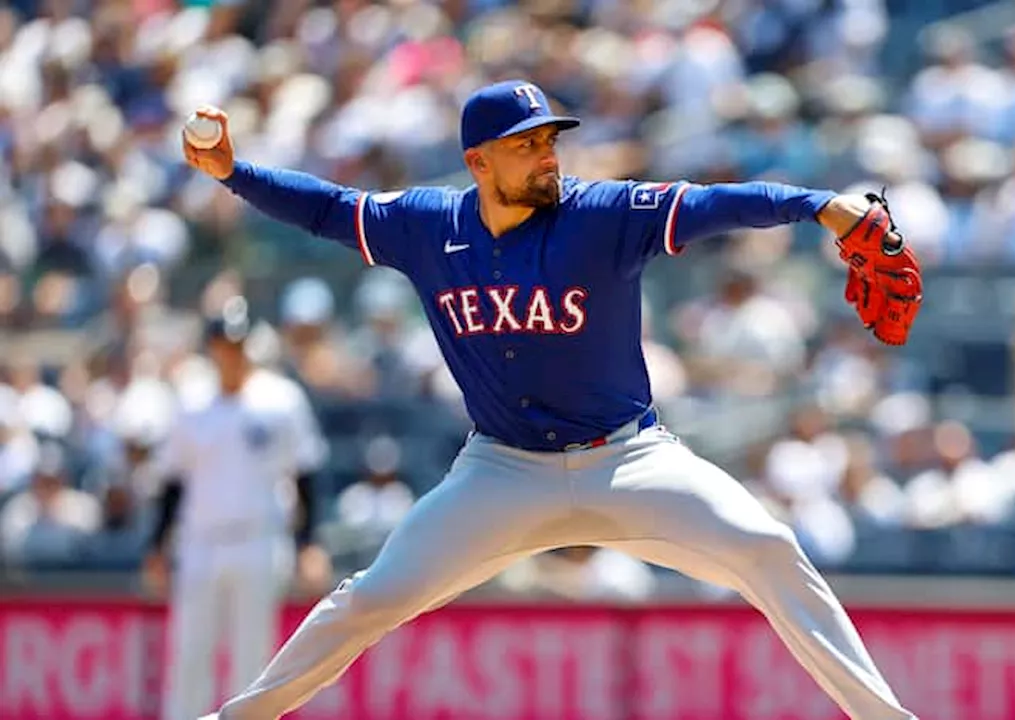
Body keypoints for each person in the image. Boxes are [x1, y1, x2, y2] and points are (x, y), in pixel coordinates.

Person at [184, 80, 921, 720]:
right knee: (372, 597)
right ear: (478, 162)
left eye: (548, 139)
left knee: (768, 550)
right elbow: (324, 208)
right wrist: (231, 172)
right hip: (501, 471)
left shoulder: (600, 213)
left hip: (629, 459)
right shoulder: (428, 225)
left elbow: (712, 206)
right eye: (525, 143)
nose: (546, 154)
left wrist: (820, 204)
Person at [144, 298, 331, 720]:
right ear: (211, 348)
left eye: (238, 344)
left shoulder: (280, 399)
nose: (231, 353)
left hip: (258, 540)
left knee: (253, 661)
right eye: (223, 344)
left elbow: (305, 473)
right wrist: (157, 545)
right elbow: (173, 481)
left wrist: (308, 542)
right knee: (190, 655)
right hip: (201, 542)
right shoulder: (191, 401)